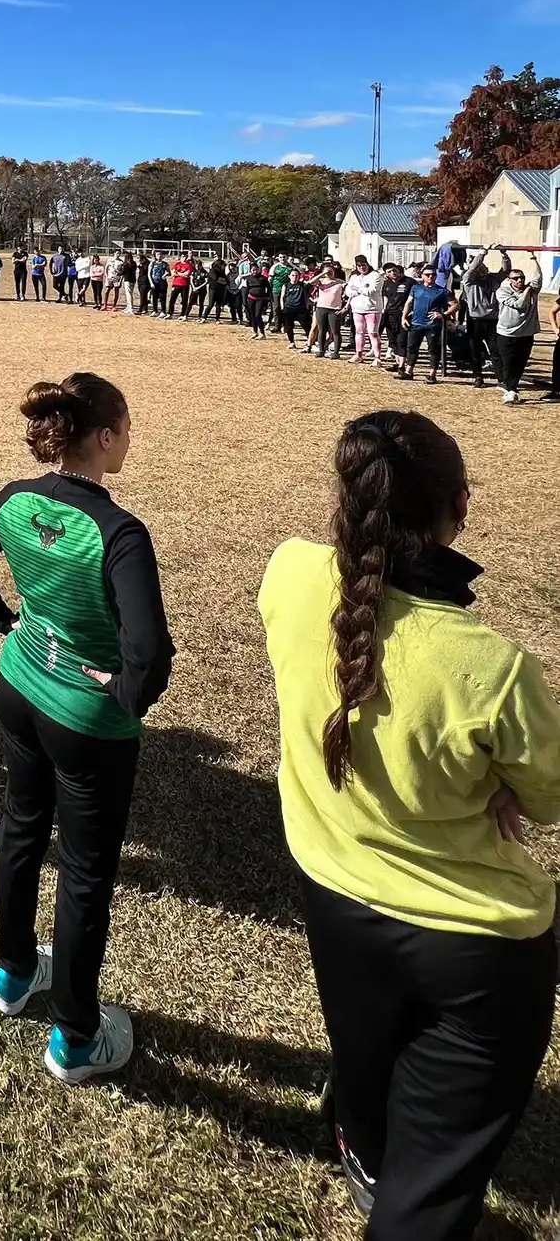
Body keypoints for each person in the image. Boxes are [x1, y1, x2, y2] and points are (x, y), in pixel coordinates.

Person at [259, 411, 560, 1236]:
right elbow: (548, 797)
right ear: (458, 507)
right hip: (479, 948)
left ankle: (364, 1157)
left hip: (333, 894)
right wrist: (501, 786)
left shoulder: (289, 574)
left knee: (363, 1050)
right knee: (432, 1189)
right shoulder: (493, 669)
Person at [0, 374, 173, 1085]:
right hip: (86, 723)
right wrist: (125, 695)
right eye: (126, 428)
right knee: (83, 874)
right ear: (102, 437)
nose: (129, 440)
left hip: (19, 690)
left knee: (21, 826)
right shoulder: (119, 533)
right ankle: (75, 1036)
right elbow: (149, 655)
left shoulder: (16, 498)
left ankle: (13, 973)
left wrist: (7, 623)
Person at [493, 261, 542, 405]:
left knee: (521, 363)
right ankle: (510, 389)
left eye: (522, 278)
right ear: (509, 280)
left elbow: (539, 277)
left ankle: (512, 388)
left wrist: (533, 259)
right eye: (516, 278)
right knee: (508, 363)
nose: (520, 280)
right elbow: (519, 304)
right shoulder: (502, 291)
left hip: (526, 334)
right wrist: (528, 290)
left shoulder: (532, 290)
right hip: (506, 333)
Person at [400, 263, 454, 383]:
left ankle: (432, 375)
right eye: (428, 275)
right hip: (416, 323)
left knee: (433, 349)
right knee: (412, 348)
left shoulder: (442, 291)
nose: (431, 277)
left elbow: (455, 305)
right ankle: (409, 371)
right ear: (422, 276)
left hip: (433, 325)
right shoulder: (416, 288)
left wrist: (443, 315)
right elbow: (408, 303)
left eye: (433, 275)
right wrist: (404, 317)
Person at [456, 255, 499, 388]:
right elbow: (471, 270)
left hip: (492, 320)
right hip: (475, 320)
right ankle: (478, 376)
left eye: (483, 268)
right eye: (478, 268)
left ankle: (501, 377)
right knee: (475, 350)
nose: (480, 270)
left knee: (495, 350)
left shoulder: (493, 280)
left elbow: (506, 271)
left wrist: (504, 254)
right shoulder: (469, 281)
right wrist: (482, 254)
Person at [344, 256, 383, 365]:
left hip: (372, 308)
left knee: (373, 332)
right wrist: (360, 290)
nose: (362, 268)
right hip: (357, 308)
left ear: (368, 264)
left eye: (364, 265)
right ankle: (358, 354)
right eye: (359, 266)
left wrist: (357, 289)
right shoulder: (354, 277)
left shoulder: (376, 276)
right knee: (359, 332)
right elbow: (348, 291)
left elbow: (372, 290)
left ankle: (377, 357)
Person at [381, 262, 412, 373]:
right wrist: (384, 309)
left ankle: (402, 366)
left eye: (394, 270)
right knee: (393, 341)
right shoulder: (387, 283)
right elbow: (385, 296)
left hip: (403, 315)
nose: (393, 273)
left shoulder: (409, 282)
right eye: (389, 271)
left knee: (402, 340)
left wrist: (410, 311)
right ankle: (398, 363)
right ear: (386, 274)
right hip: (390, 315)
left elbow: (414, 297)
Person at [279, 268, 312, 350]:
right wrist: (283, 307)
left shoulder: (302, 285)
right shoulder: (286, 285)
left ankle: (310, 341)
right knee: (289, 327)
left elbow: (306, 296)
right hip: (289, 308)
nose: (295, 277)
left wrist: (307, 306)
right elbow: (282, 297)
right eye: (293, 275)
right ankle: (292, 342)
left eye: (296, 275)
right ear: (289, 276)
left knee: (306, 326)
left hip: (301, 308)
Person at [243, 264, 271, 339]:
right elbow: (246, 289)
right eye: (253, 270)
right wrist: (245, 300)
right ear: (250, 270)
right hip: (251, 298)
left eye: (256, 270)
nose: (255, 271)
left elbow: (268, 288)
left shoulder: (263, 278)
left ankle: (262, 333)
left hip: (260, 299)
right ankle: (255, 332)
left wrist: (267, 297)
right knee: (252, 316)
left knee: (258, 315)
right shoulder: (248, 279)